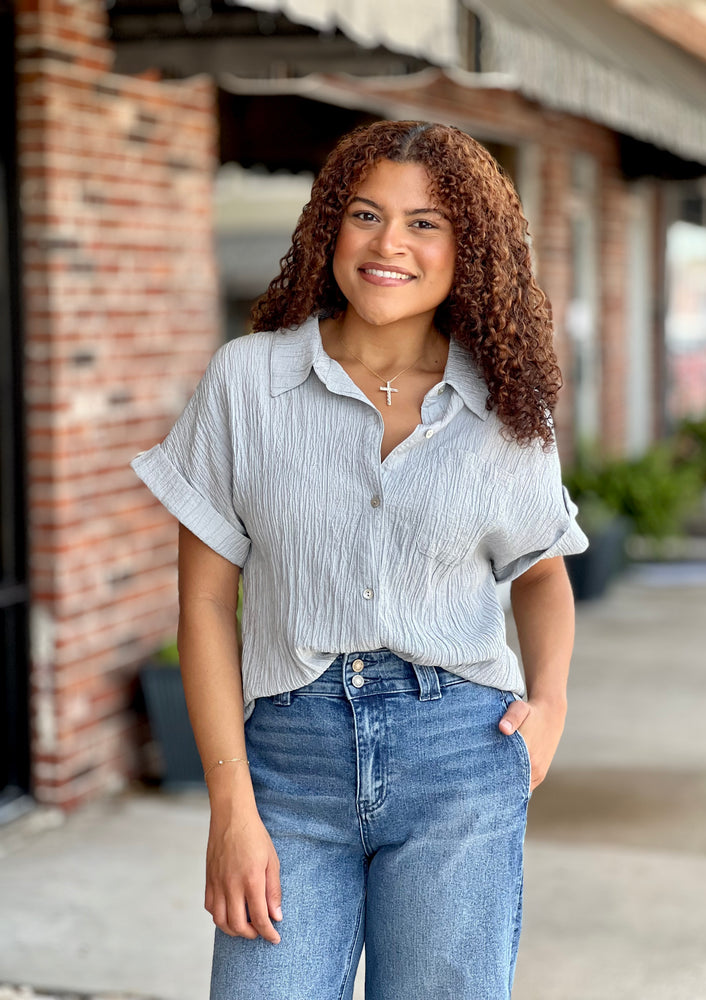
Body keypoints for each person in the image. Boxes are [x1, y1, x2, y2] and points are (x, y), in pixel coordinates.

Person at [131, 119, 588, 1000]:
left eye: (426, 223)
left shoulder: (505, 410)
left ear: (471, 248)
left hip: (460, 755)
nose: (390, 245)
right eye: (366, 214)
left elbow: (540, 572)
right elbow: (201, 609)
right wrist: (231, 808)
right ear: (328, 229)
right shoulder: (245, 383)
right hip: (285, 766)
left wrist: (553, 704)